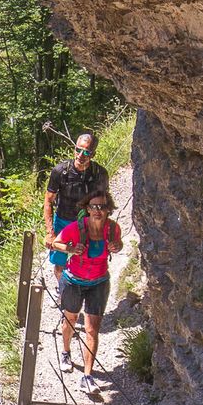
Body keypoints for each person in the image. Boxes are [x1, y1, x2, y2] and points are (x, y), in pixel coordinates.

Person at [50, 192, 124, 376]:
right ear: (87, 209)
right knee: (71, 319)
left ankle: (87, 374)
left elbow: (119, 243)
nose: (98, 211)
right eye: (94, 207)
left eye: (102, 207)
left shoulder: (112, 228)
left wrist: (117, 246)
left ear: (108, 209)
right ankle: (66, 352)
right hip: (73, 280)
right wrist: (71, 249)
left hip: (99, 281)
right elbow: (54, 243)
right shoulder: (77, 228)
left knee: (92, 329)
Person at [44, 132, 108, 256]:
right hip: (62, 220)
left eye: (86, 152)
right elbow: (48, 200)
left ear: (93, 154)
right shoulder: (60, 171)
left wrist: (104, 228)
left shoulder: (100, 173)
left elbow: (104, 202)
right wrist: (50, 233)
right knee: (59, 265)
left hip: (88, 222)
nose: (80, 155)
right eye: (78, 150)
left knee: (88, 258)